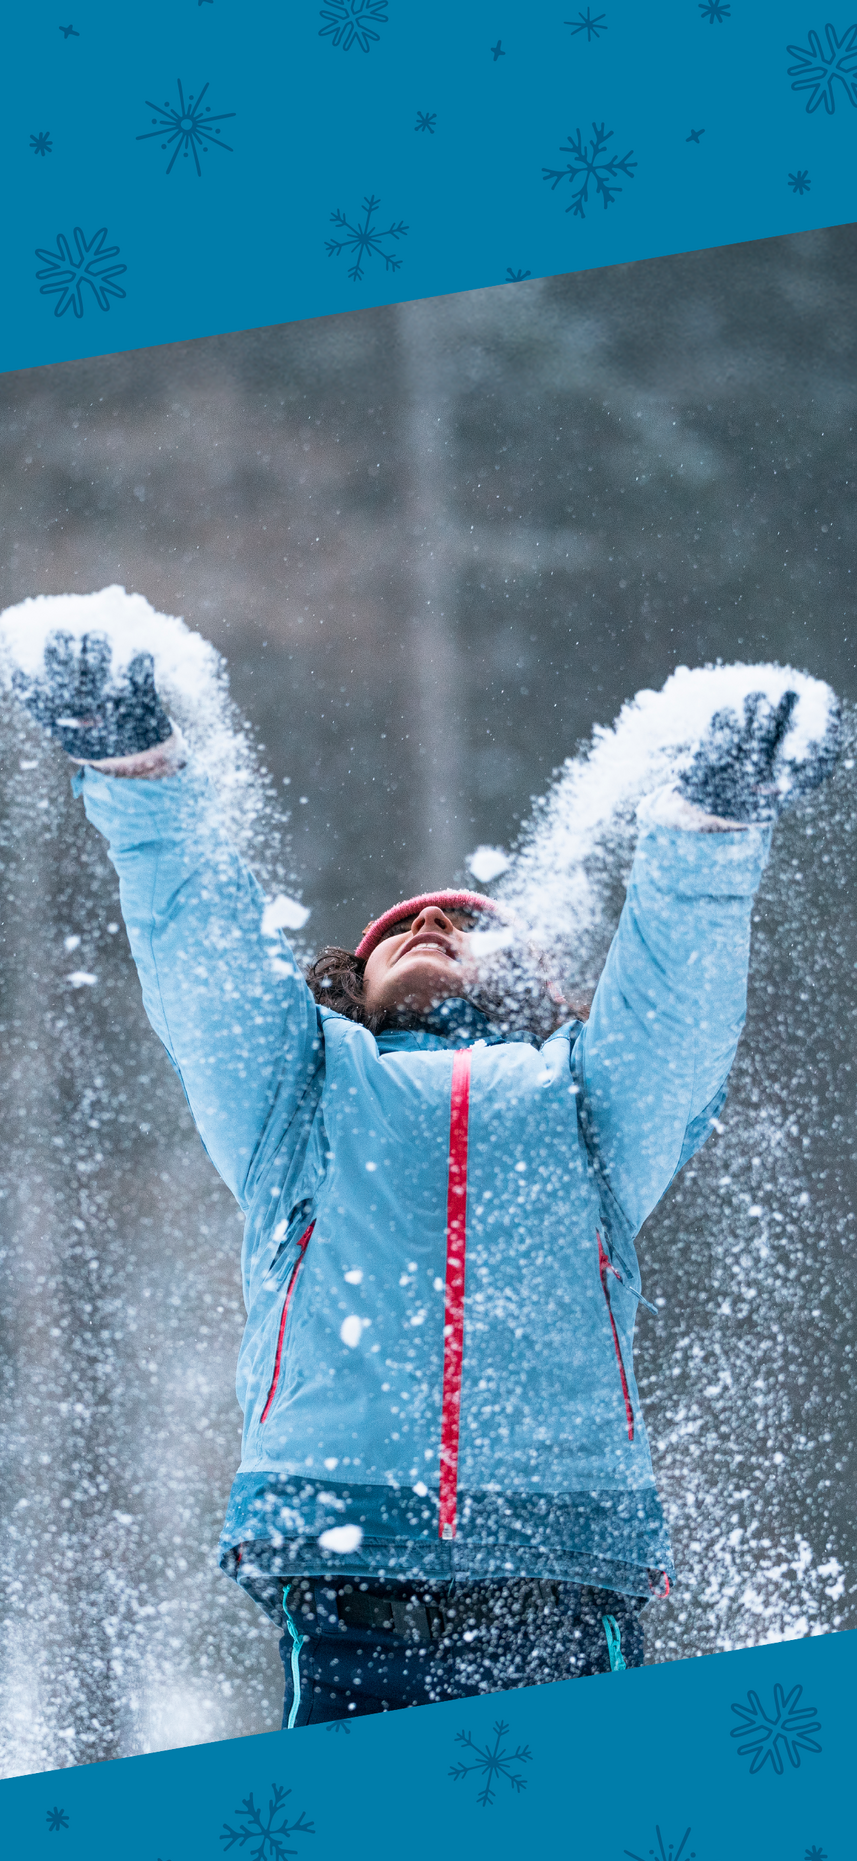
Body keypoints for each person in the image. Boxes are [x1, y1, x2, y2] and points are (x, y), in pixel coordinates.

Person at [2, 592, 839, 1729]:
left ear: (535, 986)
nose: (436, 926)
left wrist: (711, 828)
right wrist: (139, 773)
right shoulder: (297, 1093)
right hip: (349, 1550)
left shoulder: (587, 1101)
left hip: (558, 1547)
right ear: (348, 978)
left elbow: (676, 1011)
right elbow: (202, 964)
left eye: (466, 922)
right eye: (405, 926)